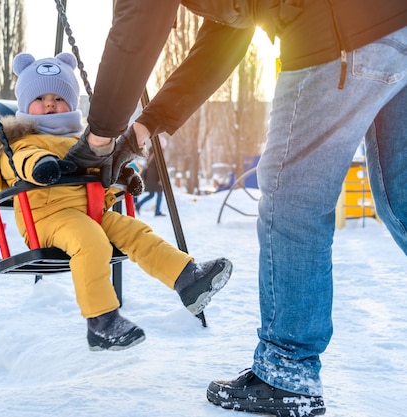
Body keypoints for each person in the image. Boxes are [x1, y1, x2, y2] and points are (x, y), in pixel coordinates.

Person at [62, 1, 407, 416]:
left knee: (291, 201)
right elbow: (229, 34)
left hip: (333, 31)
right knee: (400, 199)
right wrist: (143, 129)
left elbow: (140, 20)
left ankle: (287, 372)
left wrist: (100, 137)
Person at [0, 52, 233, 352]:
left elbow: (98, 178)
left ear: (73, 103)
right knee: (92, 241)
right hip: (47, 221)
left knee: (134, 230)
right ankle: (102, 322)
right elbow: (21, 162)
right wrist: (43, 166)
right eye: (40, 97)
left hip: (90, 214)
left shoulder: (85, 140)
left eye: (58, 97)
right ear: (26, 105)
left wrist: (122, 177)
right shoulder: (21, 142)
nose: (50, 103)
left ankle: (187, 279)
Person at [135, 149, 165, 216]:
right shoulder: (157, 155)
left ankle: (138, 205)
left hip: (150, 178)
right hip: (154, 178)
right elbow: (159, 168)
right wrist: (160, 179)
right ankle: (157, 211)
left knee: (151, 194)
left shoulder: (151, 154)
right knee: (159, 193)